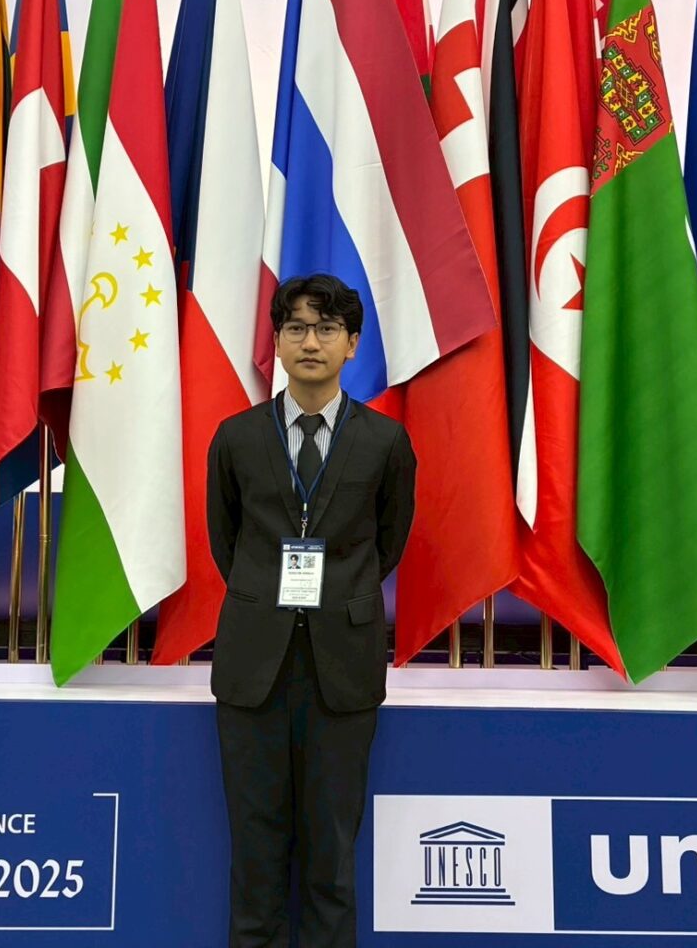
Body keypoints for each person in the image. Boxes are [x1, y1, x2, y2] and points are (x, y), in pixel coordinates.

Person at [207, 274, 417, 948]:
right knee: (255, 856)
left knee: (331, 860)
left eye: (327, 329)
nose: (310, 341)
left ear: (352, 344)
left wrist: (335, 596)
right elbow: (226, 541)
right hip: (253, 669)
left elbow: (388, 542)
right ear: (277, 341)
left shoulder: (385, 442)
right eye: (296, 327)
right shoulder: (237, 438)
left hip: (343, 670)